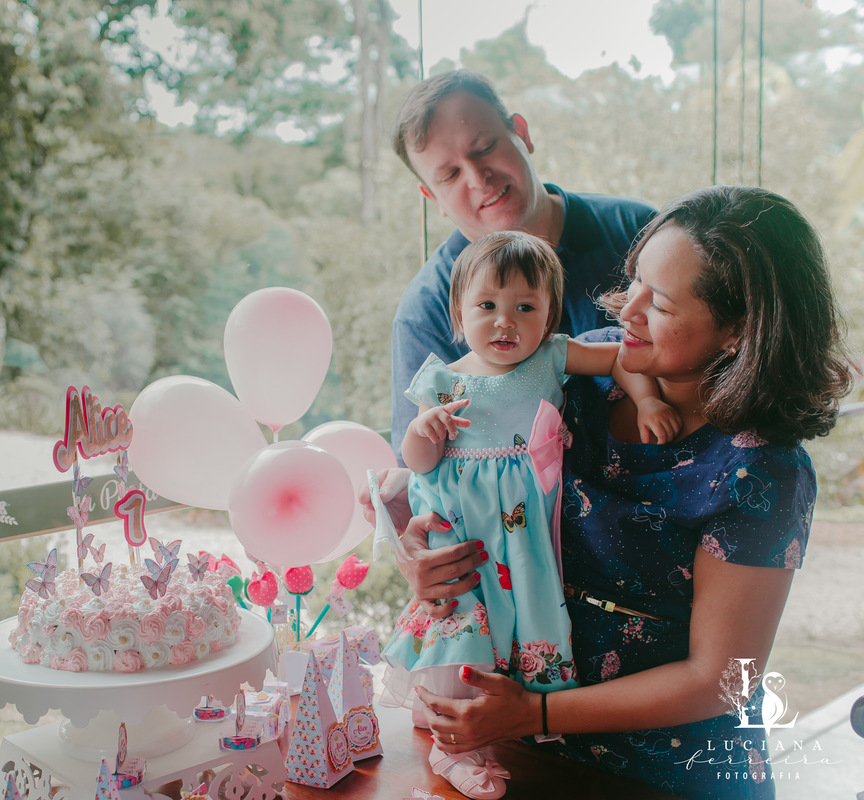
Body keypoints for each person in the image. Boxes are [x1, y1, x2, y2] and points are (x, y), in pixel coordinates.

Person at [365, 185, 854, 800]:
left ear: (738, 330)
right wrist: (427, 556)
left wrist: (534, 714)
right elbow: (458, 480)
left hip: (667, 773)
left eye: (663, 304)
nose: (628, 312)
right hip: (509, 743)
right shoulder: (579, 371)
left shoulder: (763, 472)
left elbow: (723, 677)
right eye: (636, 281)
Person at [380, 230, 680, 799]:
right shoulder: (443, 382)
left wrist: (645, 398)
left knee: (522, 618)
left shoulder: (550, 357)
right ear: (459, 312)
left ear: (548, 317)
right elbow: (418, 465)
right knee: (463, 619)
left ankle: (485, 723)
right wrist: (425, 430)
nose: (505, 322)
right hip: (464, 531)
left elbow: (620, 357)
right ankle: (453, 746)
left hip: (522, 534)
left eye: (525, 307)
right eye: (487, 306)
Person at [390, 69, 656, 463]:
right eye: (449, 174)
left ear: (522, 134)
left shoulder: (640, 232)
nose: (478, 178)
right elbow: (419, 468)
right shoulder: (425, 312)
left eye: (484, 147)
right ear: (433, 198)